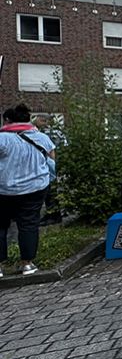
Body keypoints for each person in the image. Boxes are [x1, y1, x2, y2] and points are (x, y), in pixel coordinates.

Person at [0, 103, 56, 277]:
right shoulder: (42, 138)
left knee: (1, 226)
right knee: (29, 225)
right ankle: (27, 264)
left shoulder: (2, 139)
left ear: (7, 120)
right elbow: (52, 161)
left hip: (4, 189)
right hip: (35, 188)